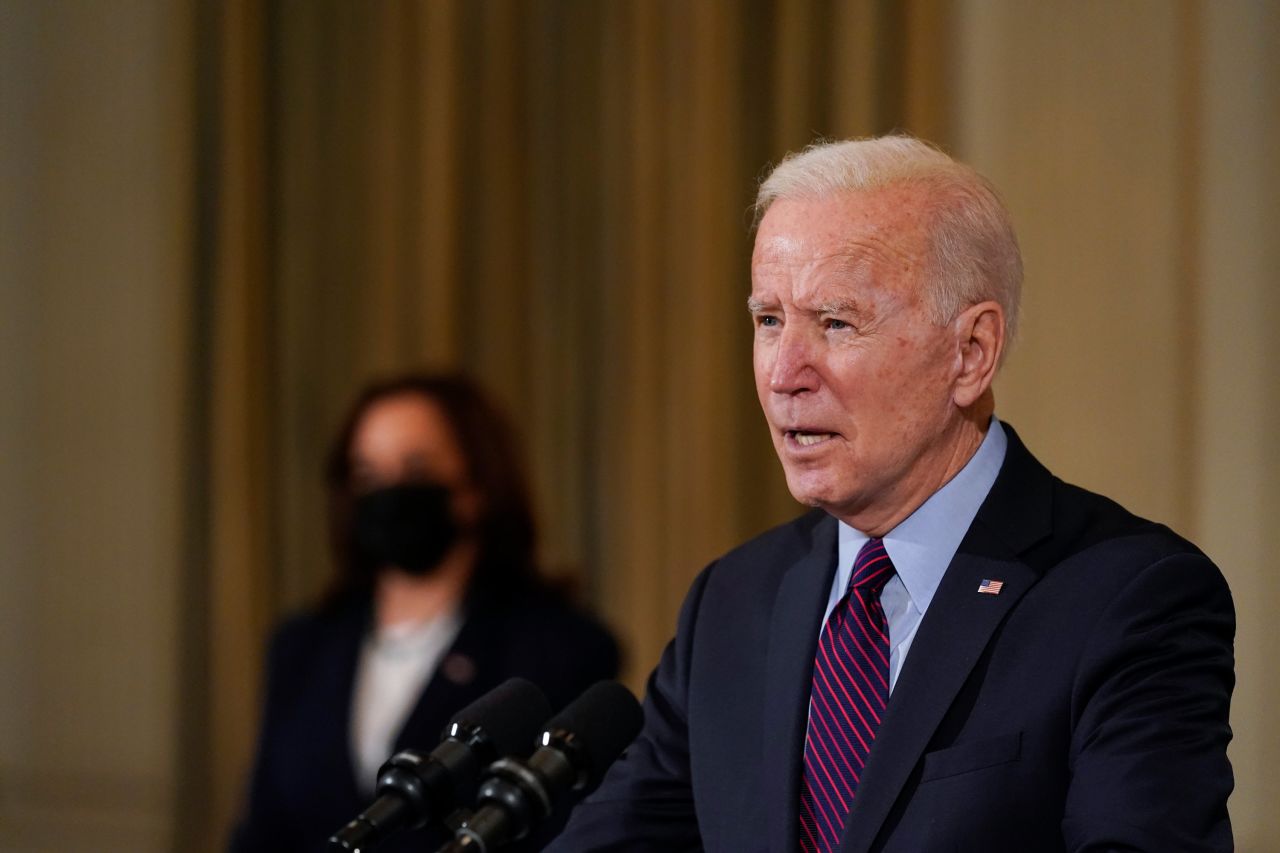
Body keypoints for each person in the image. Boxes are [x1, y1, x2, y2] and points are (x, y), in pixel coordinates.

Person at [547, 136, 1234, 852]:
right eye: (769, 320)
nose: (785, 373)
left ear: (970, 353)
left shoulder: (1127, 598)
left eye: (835, 323)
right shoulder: (733, 602)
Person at [230, 372, 620, 853]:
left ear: (476, 488)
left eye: (415, 472)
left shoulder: (558, 647)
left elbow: (563, 829)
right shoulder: (303, 647)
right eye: (367, 476)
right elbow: (264, 828)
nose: (388, 495)